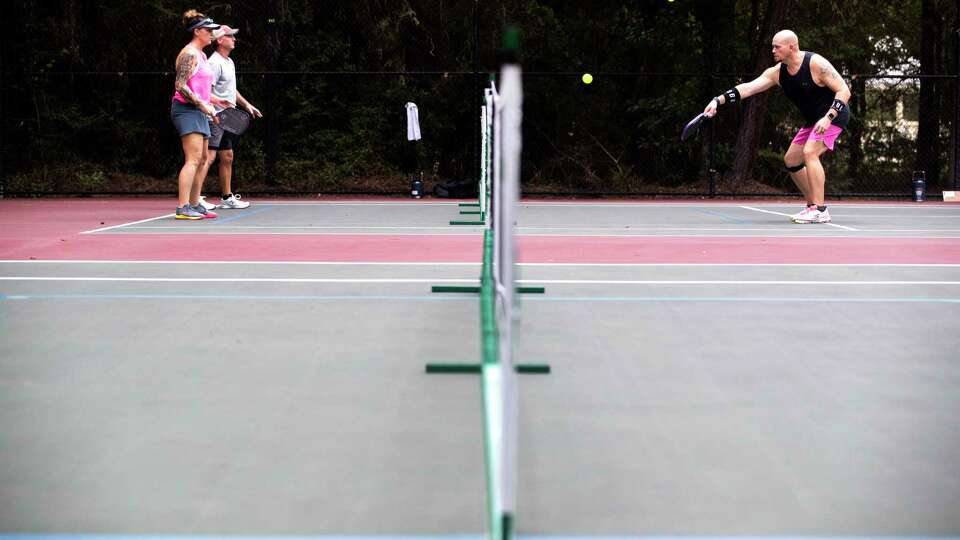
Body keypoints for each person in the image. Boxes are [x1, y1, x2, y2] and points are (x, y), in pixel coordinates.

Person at [704, 30, 851, 224]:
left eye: (777, 46)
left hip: (834, 115)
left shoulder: (816, 64)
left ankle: (821, 210)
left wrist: (828, 118)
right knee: (792, 160)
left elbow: (844, 90)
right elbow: (748, 88)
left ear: (792, 46)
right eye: (772, 46)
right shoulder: (777, 73)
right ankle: (812, 206)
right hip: (813, 120)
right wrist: (717, 101)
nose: (773, 50)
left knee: (810, 152)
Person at [170, 10, 230, 220]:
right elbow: (181, 86)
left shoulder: (203, 55)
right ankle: (182, 207)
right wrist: (202, 105)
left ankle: (195, 204)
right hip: (186, 110)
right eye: (209, 30)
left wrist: (214, 100)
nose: (212, 34)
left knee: (204, 158)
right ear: (197, 31)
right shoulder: (188, 54)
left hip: (199, 109)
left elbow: (200, 87)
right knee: (193, 159)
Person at [196, 24, 262, 211]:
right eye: (230, 36)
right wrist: (213, 113)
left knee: (228, 156)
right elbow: (205, 92)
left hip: (227, 118)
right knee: (208, 156)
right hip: (215, 117)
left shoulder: (229, 62)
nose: (234, 39)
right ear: (219, 40)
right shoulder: (214, 63)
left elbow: (231, 90)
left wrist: (247, 104)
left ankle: (226, 197)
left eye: (234, 36)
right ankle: (196, 198)